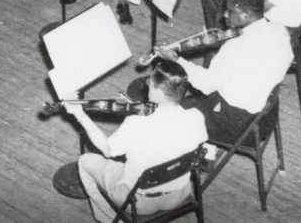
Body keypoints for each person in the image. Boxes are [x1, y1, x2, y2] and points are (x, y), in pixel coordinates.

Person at [66, 61, 208, 223]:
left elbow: (107, 150)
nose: (147, 85)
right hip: (179, 194)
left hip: (139, 203)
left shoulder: (135, 124)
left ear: (159, 93)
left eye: (150, 84)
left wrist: (80, 115)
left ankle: (109, 219)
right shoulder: (196, 116)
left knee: (85, 161)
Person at [155, 0, 292, 143]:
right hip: (266, 117)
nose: (224, 15)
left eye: (230, 11)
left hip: (235, 124)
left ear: (246, 15)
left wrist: (176, 60)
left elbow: (206, 84)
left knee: (167, 111)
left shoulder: (235, 48)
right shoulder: (279, 30)